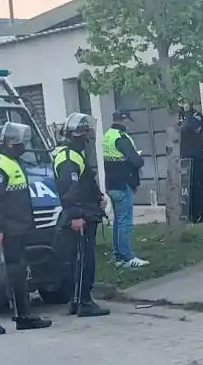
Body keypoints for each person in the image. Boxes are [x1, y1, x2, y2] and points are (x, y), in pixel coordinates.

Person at [0, 122, 52, 335]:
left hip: (19, 227)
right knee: (10, 272)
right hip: (8, 229)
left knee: (18, 272)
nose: (20, 144)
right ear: (2, 144)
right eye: (14, 141)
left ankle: (23, 316)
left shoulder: (11, 161)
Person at [53, 113, 111, 318]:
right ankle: (84, 302)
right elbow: (69, 190)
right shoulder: (68, 157)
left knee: (80, 259)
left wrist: (98, 197)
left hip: (86, 213)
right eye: (82, 132)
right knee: (83, 261)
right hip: (80, 217)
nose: (85, 136)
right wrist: (76, 215)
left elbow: (85, 182)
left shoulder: (75, 155)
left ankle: (77, 301)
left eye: (86, 132)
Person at [102, 111, 148, 268]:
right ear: (123, 120)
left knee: (117, 221)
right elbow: (135, 160)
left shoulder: (107, 135)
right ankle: (127, 257)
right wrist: (140, 158)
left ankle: (118, 257)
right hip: (123, 184)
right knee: (124, 222)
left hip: (112, 184)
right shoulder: (121, 138)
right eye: (127, 121)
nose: (128, 125)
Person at [179, 100, 203, 223]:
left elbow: (188, 126)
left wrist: (187, 113)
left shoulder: (196, 115)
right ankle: (191, 214)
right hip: (184, 157)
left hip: (196, 157)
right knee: (188, 187)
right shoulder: (178, 116)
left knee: (199, 186)